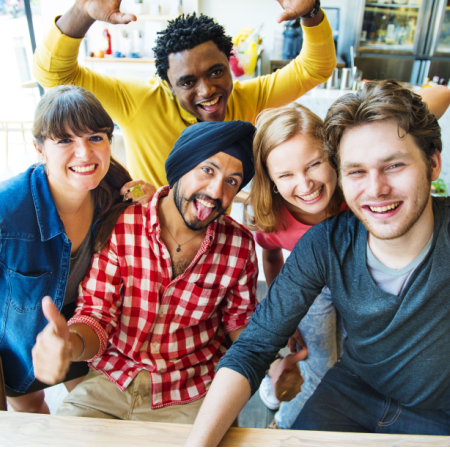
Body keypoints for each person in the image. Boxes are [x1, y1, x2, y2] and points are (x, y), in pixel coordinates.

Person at [184, 80, 450, 445]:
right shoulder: (323, 243)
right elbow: (254, 346)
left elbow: (439, 94)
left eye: (394, 165)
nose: (375, 189)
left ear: (433, 162)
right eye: (357, 171)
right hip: (351, 392)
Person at [31, 120, 259, 424]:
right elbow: (97, 313)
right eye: (208, 170)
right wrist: (68, 344)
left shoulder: (239, 246)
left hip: (191, 392)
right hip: (110, 382)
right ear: (181, 167)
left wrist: (270, 361)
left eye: (232, 181)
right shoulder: (123, 225)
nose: (216, 191)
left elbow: (239, 323)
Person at [32, 0, 336, 188]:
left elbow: (315, 68)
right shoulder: (141, 101)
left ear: (230, 65)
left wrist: (310, 12)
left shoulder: (247, 96)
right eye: (188, 82)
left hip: (211, 243)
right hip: (148, 240)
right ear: (167, 84)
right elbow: (53, 75)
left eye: (216, 72)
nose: (207, 91)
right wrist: (82, 11)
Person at [0, 85, 154, 415]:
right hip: (20, 339)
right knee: (30, 412)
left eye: (96, 137)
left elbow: (145, 193)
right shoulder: (7, 212)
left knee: (89, 409)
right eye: (65, 140)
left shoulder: (111, 189)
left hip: (87, 322)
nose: (85, 153)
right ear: (39, 148)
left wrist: (149, 194)